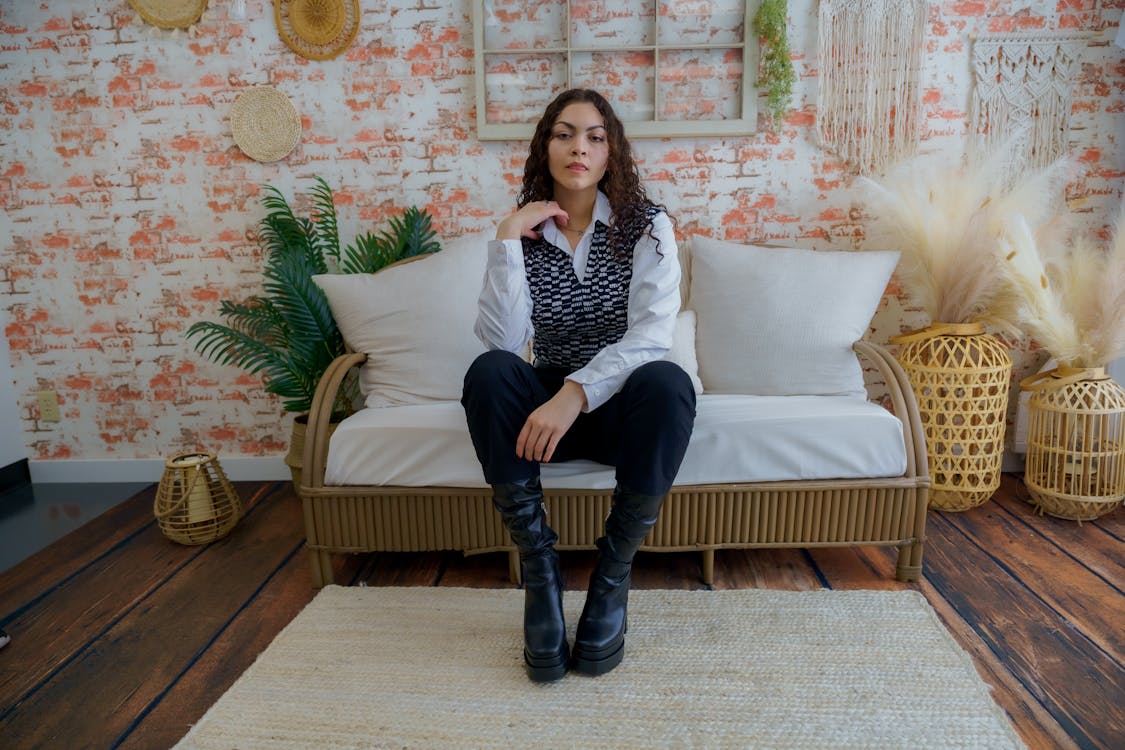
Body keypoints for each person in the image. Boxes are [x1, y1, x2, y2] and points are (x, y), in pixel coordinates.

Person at [461, 89, 696, 682]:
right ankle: (540, 575)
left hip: (618, 413)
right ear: (546, 146)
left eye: (594, 136)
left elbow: (650, 338)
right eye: (565, 134)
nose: (579, 147)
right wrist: (508, 239)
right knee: (488, 373)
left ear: (611, 151)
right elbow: (502, 339)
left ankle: (611, 579)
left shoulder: (647, 227)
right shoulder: (527, 232)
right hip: (545, 422)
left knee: (668, 382)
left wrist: (574, 394)